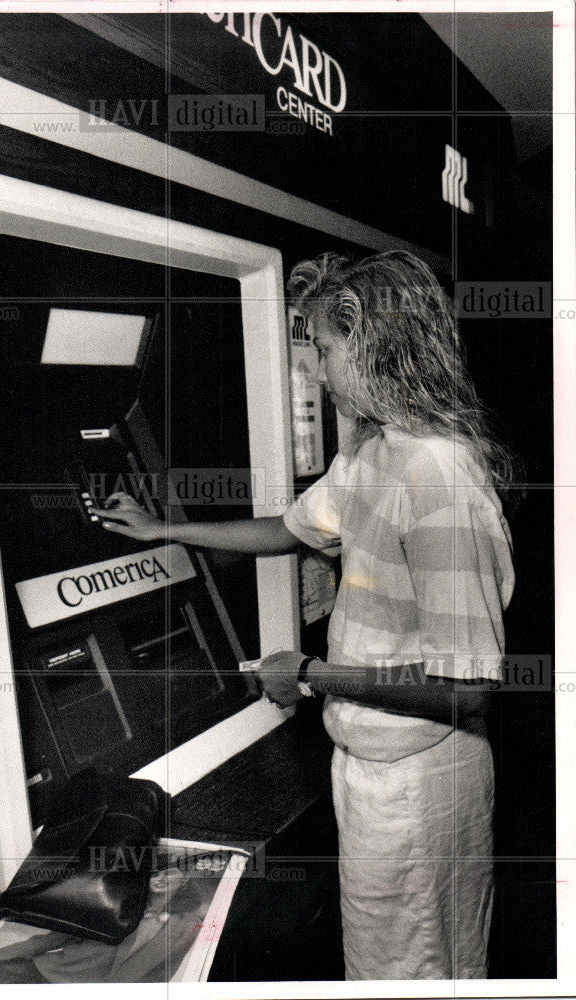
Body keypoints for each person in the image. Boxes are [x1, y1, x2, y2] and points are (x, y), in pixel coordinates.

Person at [95, 250, 515, 981]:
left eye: (323, 348)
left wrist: (314, 675)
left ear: (372, 341)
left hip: (421, 781)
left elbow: (465, 686)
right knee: (380, 965)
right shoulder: (374, 452)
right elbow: (290, 529)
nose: (316, 371)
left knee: (419, 970)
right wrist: (165, 529)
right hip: (369, 768)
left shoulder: (438, 477)